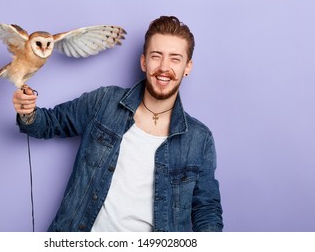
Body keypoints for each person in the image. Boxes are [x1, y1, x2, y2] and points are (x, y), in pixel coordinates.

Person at [12, 16, 223, 232]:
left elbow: (207, 210)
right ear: (144, 61)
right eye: (156, 56)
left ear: (187, 67)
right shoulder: (104, 102)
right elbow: (49, 123)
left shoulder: (199, 139)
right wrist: (28, 111)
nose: (163, 67)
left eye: (175, 59)